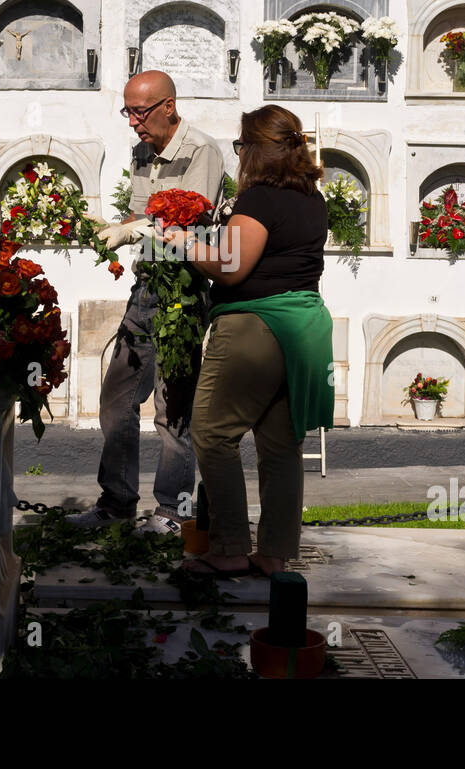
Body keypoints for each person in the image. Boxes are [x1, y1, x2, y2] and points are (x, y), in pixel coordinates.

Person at [161, 104, 334, 577]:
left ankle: (231, 548)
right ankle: (274, 554)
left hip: (254, 327)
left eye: (241, 145)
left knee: (213, 433)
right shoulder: (312, 200)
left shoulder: (259, 200)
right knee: (280, 445)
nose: (238, 155)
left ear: (257, 150)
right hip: (303, 328)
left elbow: (232, 266)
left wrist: (184, 244)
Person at [66, 70, 225, 535]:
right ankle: (116, 503)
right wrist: (114, 225)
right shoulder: (142, 152)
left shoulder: (202, 151)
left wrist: (136, 228)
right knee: (116, 399)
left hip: (183, 292)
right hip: (146, 289)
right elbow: (146, 213)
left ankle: (173, 511)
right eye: (128, 112)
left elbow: (189, 221)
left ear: (169, 107)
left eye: (140, 112)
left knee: (173, 409)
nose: (133, 123)